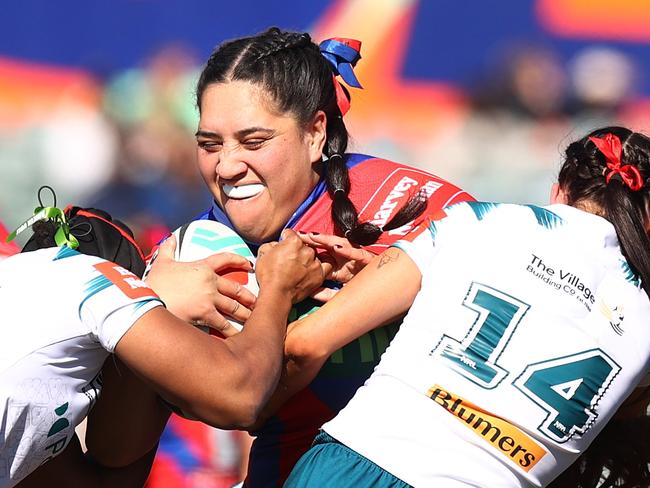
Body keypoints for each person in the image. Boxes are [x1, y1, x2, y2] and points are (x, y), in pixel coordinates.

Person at [181, 26, 475, 486]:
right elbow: (238, 411)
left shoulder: (417, 203)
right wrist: (150, 307)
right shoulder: (190, 256)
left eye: (254, 142)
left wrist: (397, 279)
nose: (226, 167)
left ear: (316, 133)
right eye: (209, 144)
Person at [282, 126, 650, 487]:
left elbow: (306, 343)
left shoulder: (480, 219)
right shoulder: (643, 321)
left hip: (359, 466)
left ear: (559, 192)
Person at [0, 205, 324, 487]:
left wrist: (158, 378)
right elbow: (241, 397)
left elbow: (105, 474)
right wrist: (278, 289)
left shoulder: (36, 364)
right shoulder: (87, 276)